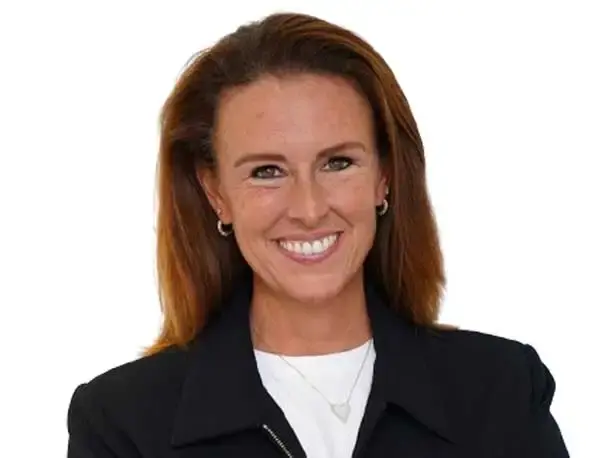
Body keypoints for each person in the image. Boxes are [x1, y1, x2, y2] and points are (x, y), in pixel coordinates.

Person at [66, 12, 569, 458]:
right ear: (215, 192)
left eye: (338, 163)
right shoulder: (123, 424)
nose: (308, 209)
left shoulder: (501, 390)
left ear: (384, 175)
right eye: (266, 172)